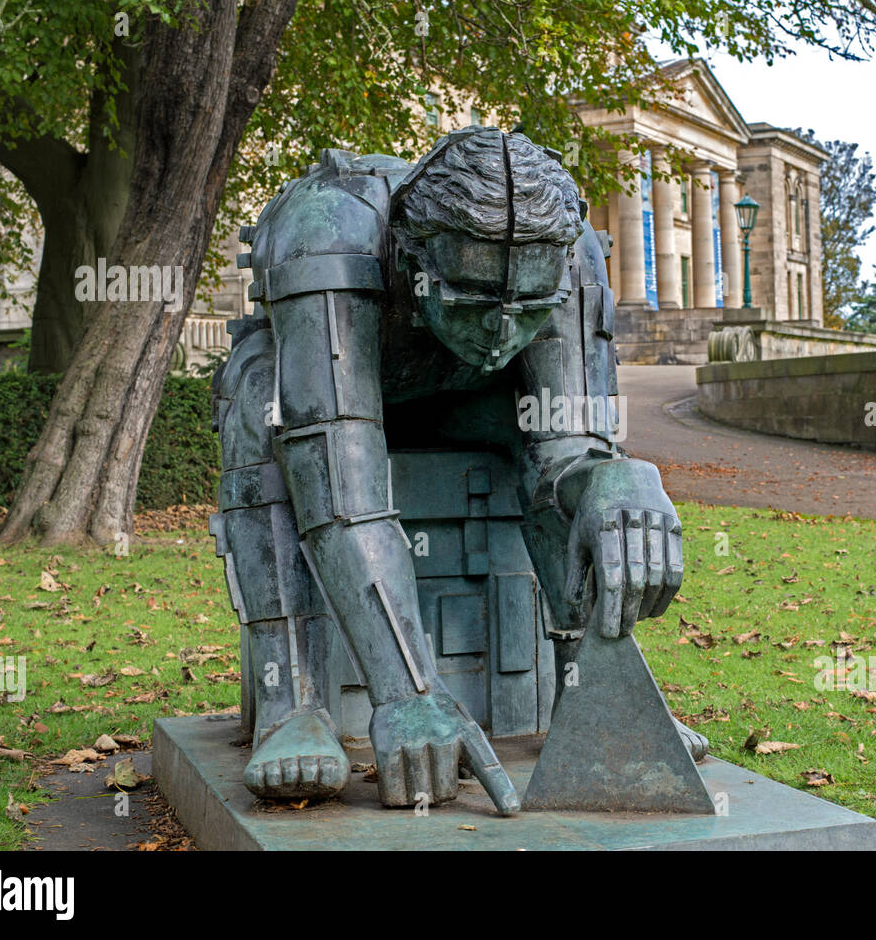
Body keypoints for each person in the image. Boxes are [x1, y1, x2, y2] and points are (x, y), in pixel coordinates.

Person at [211, 127, 692, 814]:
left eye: (527, 311)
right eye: (470, 302)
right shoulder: (328, 226)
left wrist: (614, 479)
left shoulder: (567, 248)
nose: (500, 336)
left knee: (589, 464)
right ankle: (293, 706)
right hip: (337, 405)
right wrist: (408, 690)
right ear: (412, 258)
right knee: (259, 399)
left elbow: (564, 449)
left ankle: (592, 689)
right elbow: (343, 486)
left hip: (468, 406)